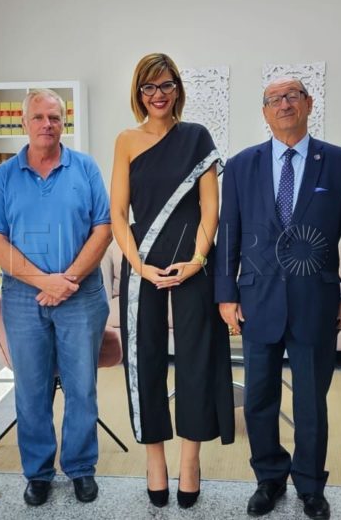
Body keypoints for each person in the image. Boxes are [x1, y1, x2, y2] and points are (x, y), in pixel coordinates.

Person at [216, 77, 341, 520]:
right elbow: (228, 233)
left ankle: (310, 485)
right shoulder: (241, 165)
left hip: (315, 301)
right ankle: (268, 478)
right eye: (273, 99)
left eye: (292, 96)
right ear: (264, 112)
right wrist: (226, 294)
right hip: (257, 299)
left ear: (308, 103)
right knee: (259, 398)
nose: (283, 104)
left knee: (311, 402)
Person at [110, 53, 235, 509]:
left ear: (178, 89)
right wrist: (139, 266)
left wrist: (198, 259)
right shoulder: (126, 140)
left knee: (197, 357)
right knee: (143, 358)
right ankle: (155, 461)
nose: (158, 95)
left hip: (192, 259)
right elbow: (117, 214)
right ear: (138, 93)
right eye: (149, 87)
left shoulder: (197, 137)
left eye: (166, 85)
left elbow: (210, 208)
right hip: (142, 261)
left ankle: (191, 461)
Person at [0, 88, 112, 507]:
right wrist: (44, 282)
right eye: (38, 117)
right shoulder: (5, 175)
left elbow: (104, 228)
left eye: (54, 117)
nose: (46, 124)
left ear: (63, 122)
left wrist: (66, 280)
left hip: (81, 293)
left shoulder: (85, 168)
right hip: (24, 299)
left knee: (81, 387)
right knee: (31, 390)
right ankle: (38, 473)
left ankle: (80, 468)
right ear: (24, 122)